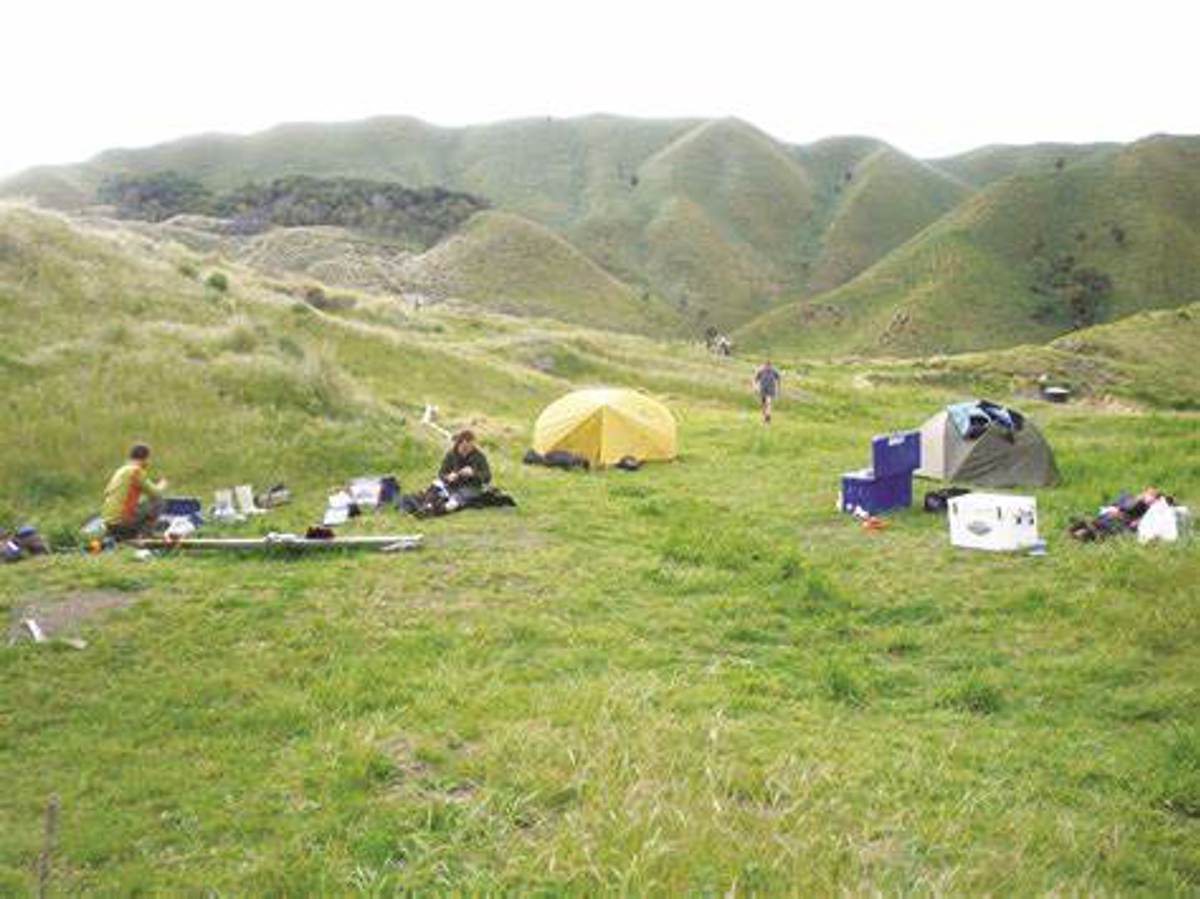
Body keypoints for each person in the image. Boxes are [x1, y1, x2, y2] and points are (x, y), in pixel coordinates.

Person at [102, 443, 168, 540]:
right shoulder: (136, 471)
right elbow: (155, 493)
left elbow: (108, 492)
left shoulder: (121, 470)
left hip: (108, 523)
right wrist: (162, 485)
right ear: (145, 458)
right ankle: (146, 535)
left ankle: (122, 533)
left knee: (142, 503)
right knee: (159, 501)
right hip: (122, 522)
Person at [437, 430, 492, 511]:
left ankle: (451, 503)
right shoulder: (451, 455)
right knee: (437, 486)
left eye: (470, 447)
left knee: (467, 493)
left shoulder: (479, 456)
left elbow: (488, 476)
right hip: (453, 486)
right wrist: (448, 477)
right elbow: (441, 473)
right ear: (459, 444)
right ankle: (445, 501)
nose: (467, 450)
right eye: (464, 447)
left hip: (472, 487)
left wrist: (473, 473)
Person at [752, 359, 782, 424]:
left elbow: (779, 378)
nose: (768, 367)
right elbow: (755, 379)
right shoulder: (761, 371)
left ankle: (768, 418)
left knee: (768, 402)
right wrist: (755, 387)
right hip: (762, 389)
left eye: (769, 366)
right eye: (767, 366)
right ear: (764, 365)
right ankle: (765, 416)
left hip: (771, 389)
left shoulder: (774, 371)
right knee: (763, 405)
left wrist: (778, 388)